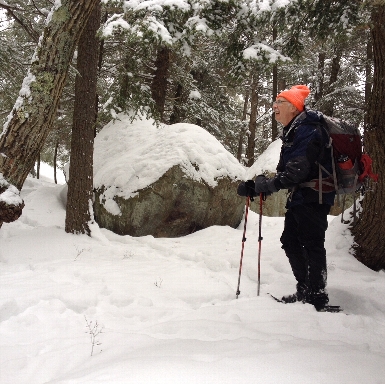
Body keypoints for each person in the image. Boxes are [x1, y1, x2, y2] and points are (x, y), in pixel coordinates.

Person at [237, 85, 335, 311]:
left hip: (315, 196)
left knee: (312, 244)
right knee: (290, 240)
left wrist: (268, 186)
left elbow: (296, 172)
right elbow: (286, 171)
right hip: (302, 196)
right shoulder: (294, 130)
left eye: (279, 103)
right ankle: (305, 290)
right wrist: (255, 186)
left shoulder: (308, 130)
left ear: (293, 107)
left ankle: (317, 298)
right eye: (274, 103)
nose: (274, 107)